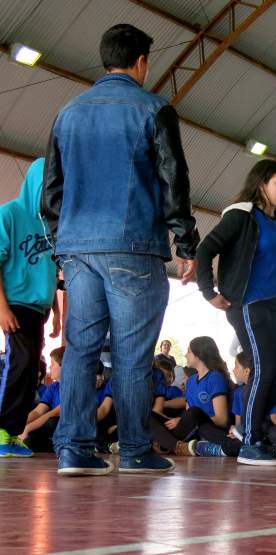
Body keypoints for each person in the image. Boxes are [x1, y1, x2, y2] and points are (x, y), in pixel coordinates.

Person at [41, 23, 199, 476]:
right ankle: (133, 450)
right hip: (132, 247)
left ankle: (72, 449)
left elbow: (51, 192)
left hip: (77, 248)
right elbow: (174, 180)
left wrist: (63, 243)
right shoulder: (153, 109)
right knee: (132, 353)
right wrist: (185, 242)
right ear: (142, 62)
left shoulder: (67, 113)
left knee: (81, 350)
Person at [195, 159, 276, 466]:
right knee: (264, 367)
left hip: (275, 307)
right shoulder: (242, 216)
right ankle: (252, 440)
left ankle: (247, 427)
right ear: (261, 185)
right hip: (248, 304)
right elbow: (206, 250)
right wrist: (209, 292)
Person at [0, 158, 61, 458]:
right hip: (15, 304)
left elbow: (53, 272)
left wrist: (57, 314)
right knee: (19, 364)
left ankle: (12, 434)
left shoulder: (49, 226)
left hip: (39, 309)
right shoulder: (8, 213)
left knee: (31, 371)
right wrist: (2, 309)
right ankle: (1, 429)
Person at [148, 337, 231, 457]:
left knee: (194, 411)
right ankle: (177, 446)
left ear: (199, 355)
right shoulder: (191, 381)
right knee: (145, 413)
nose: (185, 355)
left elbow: (222, 420)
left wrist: (183, 420)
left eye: (189, 351)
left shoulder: (215, 377)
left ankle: (165, 444)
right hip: (187, 430)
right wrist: (181, 420)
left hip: (206, 429)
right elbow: (187, 413)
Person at [19, 346, 65, 453]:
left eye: (52, 364)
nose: (49, 368)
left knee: (52, 422)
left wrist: (27, 428)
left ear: (64, 366)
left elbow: (53, 413)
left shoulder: (74, 387)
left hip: (65, 427)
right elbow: (38, 411)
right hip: (52, 430)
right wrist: (20, 426)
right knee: (28, 438)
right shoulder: (54, 387)